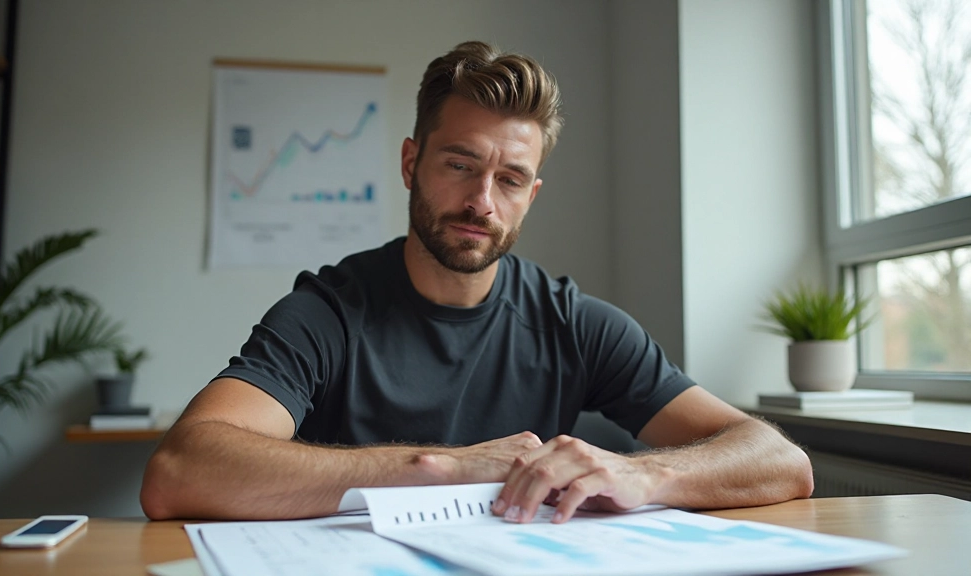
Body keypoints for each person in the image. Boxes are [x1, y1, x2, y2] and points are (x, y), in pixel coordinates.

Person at [140, 41, 813, 523]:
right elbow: (178, 475)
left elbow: (779, 462)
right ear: (411, 163)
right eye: (460, 166)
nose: (482, 203)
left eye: (511, 179)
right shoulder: (327, 312)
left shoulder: (573, 322)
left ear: (532, 193)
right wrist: (441, 468)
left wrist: (641, 473)